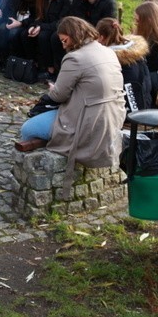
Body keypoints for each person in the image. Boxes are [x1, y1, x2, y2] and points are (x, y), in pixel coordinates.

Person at [17, 17, 125, 193]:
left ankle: (35, 181)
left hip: (87, 120)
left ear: (73, 36)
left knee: (28, 129)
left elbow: (59, 95)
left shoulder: (75, 58)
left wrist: (53, 88)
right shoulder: (107, 51)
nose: (63, 46)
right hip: (113, 116)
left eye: (64, 40)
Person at [22, 0, 72, 79]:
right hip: (48, 25)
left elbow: (62, 20)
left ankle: (54, 69)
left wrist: (41, 27)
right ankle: (35, 65)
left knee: (47, 37)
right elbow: (40, 16)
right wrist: (34, 25)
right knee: (28, 34)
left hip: (61, 26)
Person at [96, 18, 151, 113]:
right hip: (145, 104)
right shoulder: (136, 52)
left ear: (101, 37)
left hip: (129, 112)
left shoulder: (113, 60)